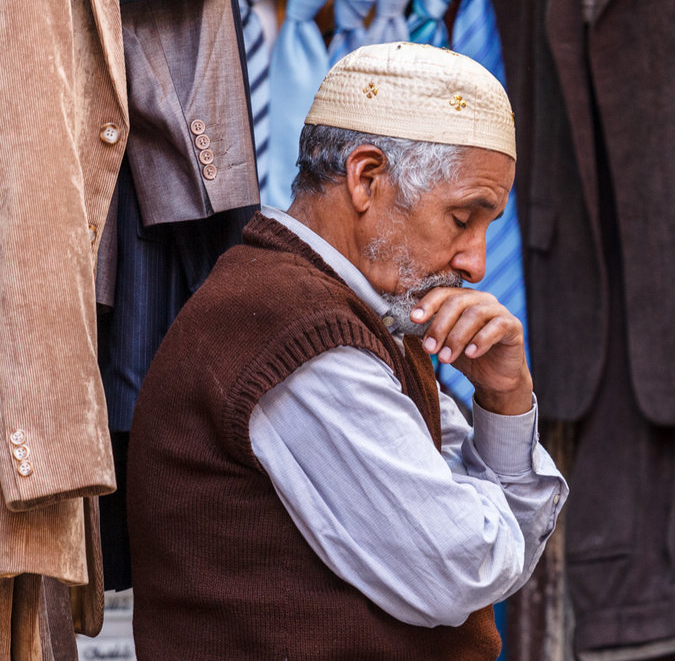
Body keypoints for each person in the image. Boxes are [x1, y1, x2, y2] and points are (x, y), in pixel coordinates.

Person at [126, 42, 567, 660]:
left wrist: (505, 401)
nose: (477, 262)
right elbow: (466, 569)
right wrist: (471, 491)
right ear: (365, 178)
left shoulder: (350, 316)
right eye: (464, 218)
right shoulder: (299, 335)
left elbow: (488, 554)